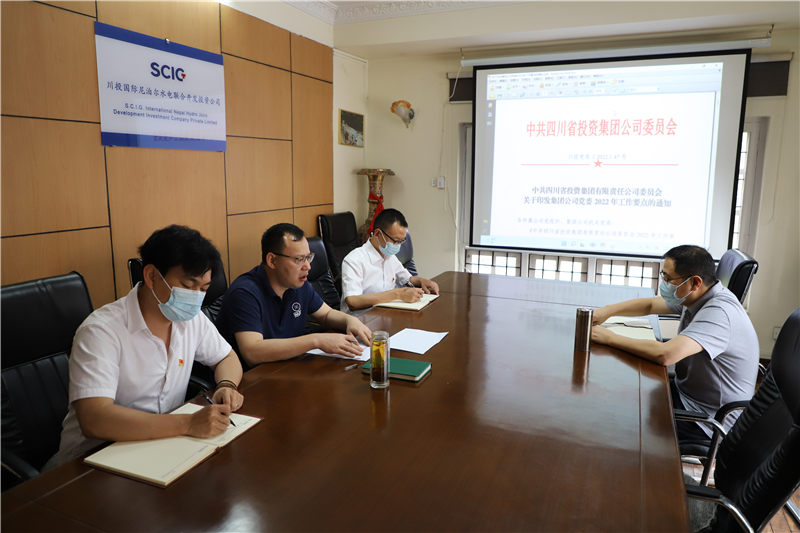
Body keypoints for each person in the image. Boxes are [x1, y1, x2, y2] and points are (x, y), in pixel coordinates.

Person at [58, 225, 244, 465]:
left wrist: (227, 385)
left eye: (203, 289)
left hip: (161, 446)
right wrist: (188, 423)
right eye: (188, 286)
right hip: (92, 461)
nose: (196, 297)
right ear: (152, 276)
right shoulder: (101, 331)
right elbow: (95, 419)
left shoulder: (191, 320)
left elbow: (226, 357)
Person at [591, 245, 759, 440]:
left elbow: (666, 355)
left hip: (707, 420)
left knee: (619, 419)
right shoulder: (697, 296)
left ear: (695, 282)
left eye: (669, 279)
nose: (665, 284)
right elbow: (650, 305)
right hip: (687, 394)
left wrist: (609, 338)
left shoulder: (719, 313)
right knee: (620, 391)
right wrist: (607, 311)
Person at [216, 223, 372, 369]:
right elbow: (252, 352)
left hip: (288, 368)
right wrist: (316, 340)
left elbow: (326, 314)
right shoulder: (244, 293)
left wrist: (350, 320)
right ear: (272, 260)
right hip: (253, 379)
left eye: (308, 257)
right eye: (299, 259)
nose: (308, 266)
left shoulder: (298, 284)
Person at [340, 208, 439, 314]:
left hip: (386, 314)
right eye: (395, 241)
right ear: (377, 234)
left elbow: (407, 278)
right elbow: (353, 302)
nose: (398, 245)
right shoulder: (354, 260)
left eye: (401, 241)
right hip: (362, 319)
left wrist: (422, 281)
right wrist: (398, 294)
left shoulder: (389, 256)